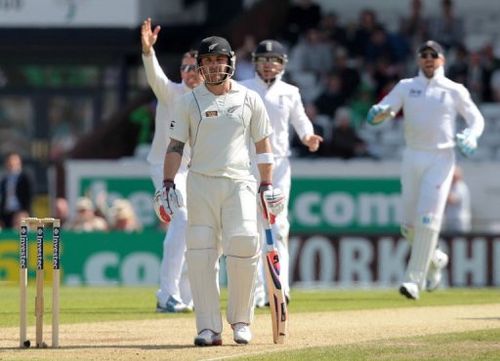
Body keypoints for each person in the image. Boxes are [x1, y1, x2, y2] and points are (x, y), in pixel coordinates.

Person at [161, 35, 284, 346]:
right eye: (208, 61)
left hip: (239, 182)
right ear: (200, 66)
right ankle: (208, 328)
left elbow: (263, 145)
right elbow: (175, 146)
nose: (214, 66)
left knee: (244, 244)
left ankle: (241, 321)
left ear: (229, 62)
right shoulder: (187, 101)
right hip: (200, 182)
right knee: (200, 254)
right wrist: (167, 184)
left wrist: (267, 184)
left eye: (219, 60)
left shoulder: (249, 98)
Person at [367, 40, 484, 300]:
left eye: (434, 55)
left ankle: (413, 281)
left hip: (441, 158)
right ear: (419, 60)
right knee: (409, 227)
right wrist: (380, 113)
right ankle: (435, 260)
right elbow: (387, 108)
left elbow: (476, 118)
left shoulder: (454, 89)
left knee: (428, 219)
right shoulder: (407, 86)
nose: (429, 59)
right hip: (412, 156)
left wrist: (472, 135)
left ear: (442, 59)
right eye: (424, 55)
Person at [240, 39, 323, 307]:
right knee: (250, 229)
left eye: (273, 60)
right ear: (255, 62)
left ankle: (280, 288)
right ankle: (257, 292)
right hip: (248, 165)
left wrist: (308, 136)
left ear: (282, 64)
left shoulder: (290, 92)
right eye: (263, 60)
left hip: (279, 166)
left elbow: (300, 120)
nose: (268, 65)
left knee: (278, 225)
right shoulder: (242, 89)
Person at [141, 18, 202, 313]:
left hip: (194, 172)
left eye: (194, 67)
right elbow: (155, 78)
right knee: (182, 220)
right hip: (165, 168)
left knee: (199, 229)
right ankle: (166, 293)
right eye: (184, 67)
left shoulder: (212, 100)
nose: (188, 73)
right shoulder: (171, 93)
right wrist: (148, 52)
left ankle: (187, 295)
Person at [0, 152, 34, 228]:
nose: (12, 164)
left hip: (21, 212)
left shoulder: (25, 178)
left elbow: (29, 195)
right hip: (6, 212)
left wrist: (26, 211)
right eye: (9, 162)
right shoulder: (4, 180)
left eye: (14, 162)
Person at [443, 165, 471, 233]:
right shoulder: (450, 187)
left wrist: (441, 193)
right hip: (450, 220)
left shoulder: (461, 187)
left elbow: (453, 200)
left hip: (459, 222)